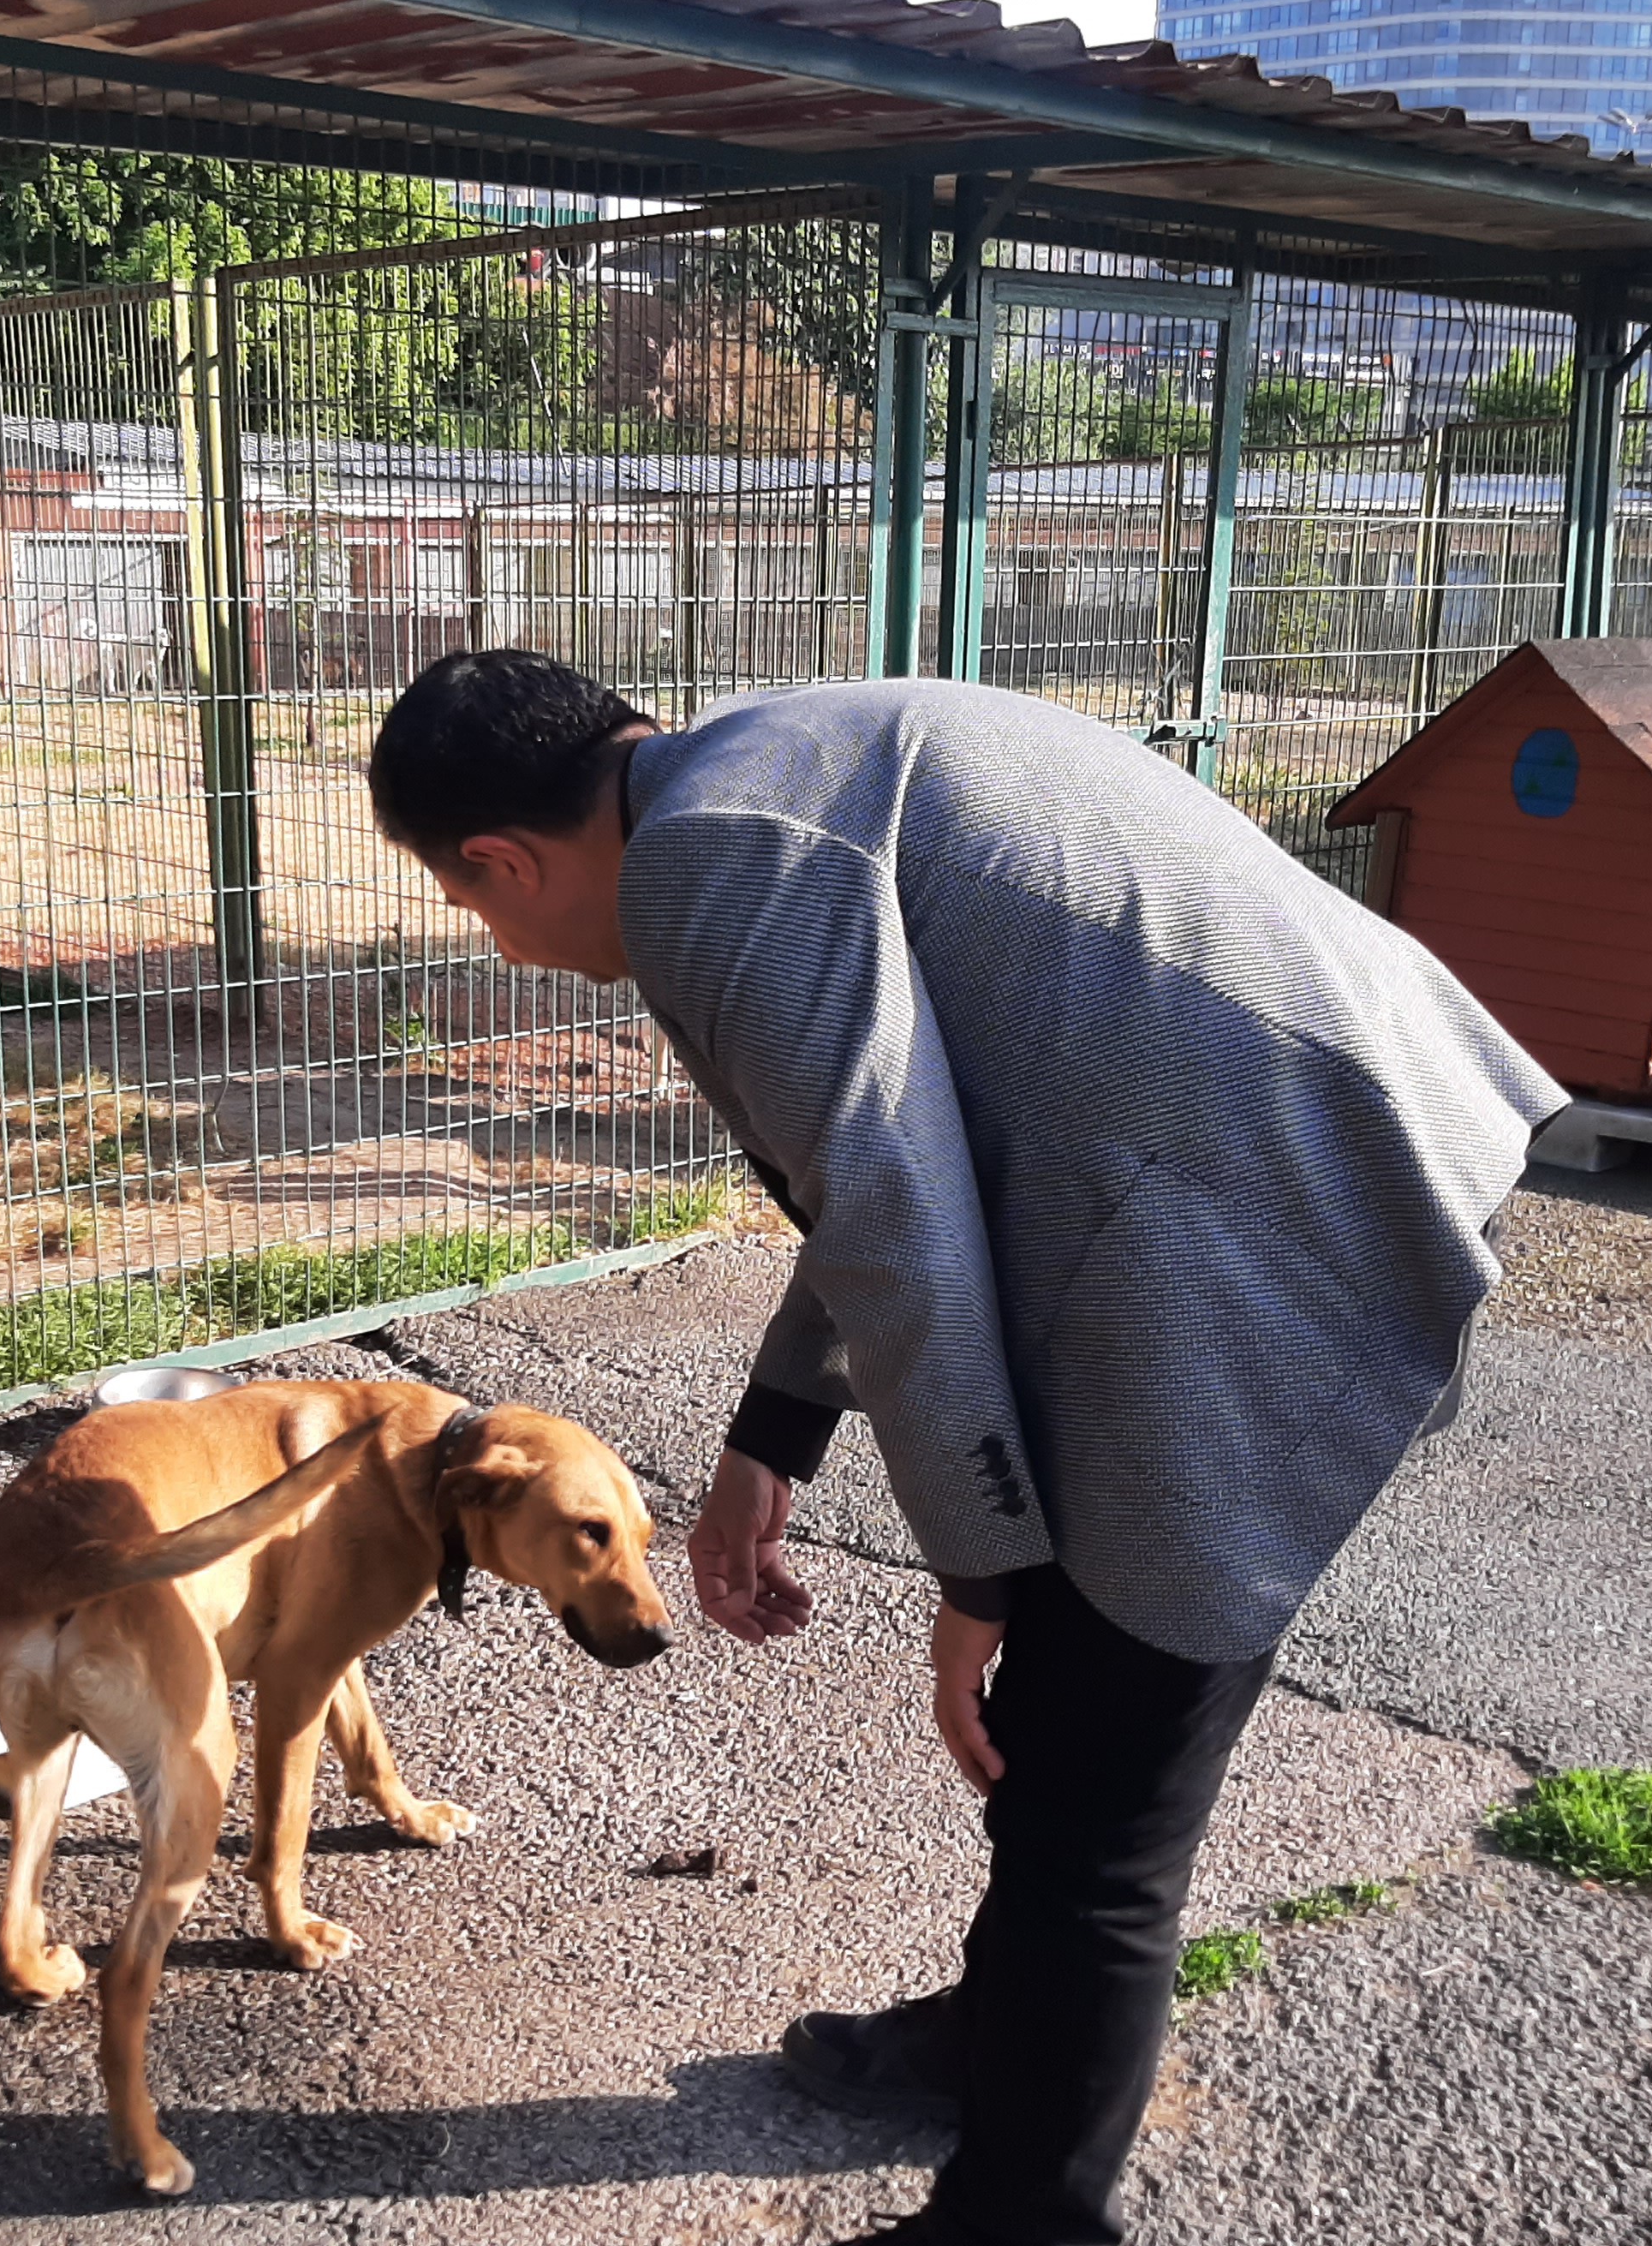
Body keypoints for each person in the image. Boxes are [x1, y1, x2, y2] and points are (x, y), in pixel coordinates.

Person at [367, 651, 1563, 2245]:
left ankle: (1027, 2214)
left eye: (476, 912)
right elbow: (881, 1166)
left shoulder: (720, 869)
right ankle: (1008, 2041)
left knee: (1096, 1795)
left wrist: (982, 1569)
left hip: (1283, 1201)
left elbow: (904, 1227)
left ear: (499, 862)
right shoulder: (754, 771)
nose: (504, 943)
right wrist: (774, 1430)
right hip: (1263, 1138)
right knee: (1067, 1729)